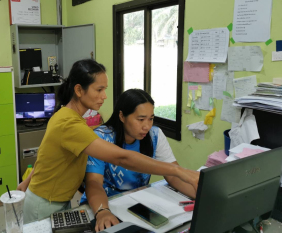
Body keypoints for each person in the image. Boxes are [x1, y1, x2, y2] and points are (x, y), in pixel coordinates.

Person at [17, 59, 199, 225]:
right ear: (79, 90)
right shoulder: (70, 124)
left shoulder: (71, 117)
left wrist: (28, 182)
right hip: (45, 203)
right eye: (99, 90)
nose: (104, 96)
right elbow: (121, 158)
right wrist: (179, 170)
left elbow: (48, 156)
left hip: (54, 199)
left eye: (105, 89)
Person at [80, 89, 196, 232]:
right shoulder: (101, 138)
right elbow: (93, 182)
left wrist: (200, 194)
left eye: (151, 118)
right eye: (140, 119)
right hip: (104, 205)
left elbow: (173, 175)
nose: (146, 126)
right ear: (122, 116)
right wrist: (102, 211)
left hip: (137, 205)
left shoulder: (155, 135)